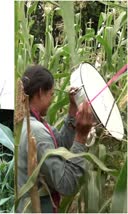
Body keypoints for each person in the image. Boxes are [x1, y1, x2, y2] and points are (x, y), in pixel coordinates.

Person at [16, 65, 94, 213]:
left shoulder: (26, 122)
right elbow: (66, 184)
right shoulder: (37, 131)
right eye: (51, 94)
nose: (52, 100)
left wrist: (72, 109)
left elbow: (59, 145)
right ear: (40, 93)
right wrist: (81, 137)